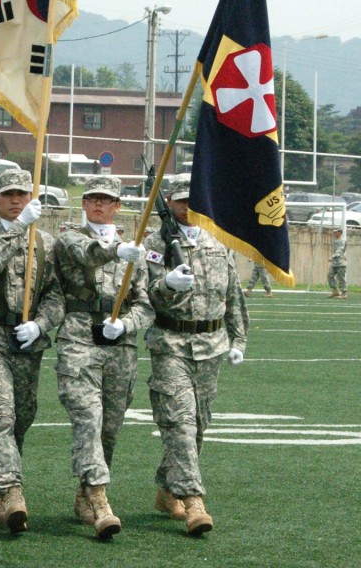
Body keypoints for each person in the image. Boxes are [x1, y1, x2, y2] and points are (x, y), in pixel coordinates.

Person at [143, 173, 248, 535]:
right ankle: (193, 501)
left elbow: (233, 293)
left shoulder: (218, 240)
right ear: (169, 203)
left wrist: (239, 340)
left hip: (212, 346)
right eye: (180, 201)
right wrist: (168, 285)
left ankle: (167, 487)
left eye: (193, 200)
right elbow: (148, 293)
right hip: (170, 344)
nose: (187, 207)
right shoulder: (154, 242)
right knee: (181, 423)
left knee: (199, 424)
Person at [53, 175, 153, 541]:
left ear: (117, 206)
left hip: (119, 346)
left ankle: (84, 492)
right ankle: (99, 498)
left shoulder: (135, 251)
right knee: (87, 417)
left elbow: (146, 305)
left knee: (109, 426)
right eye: (92, 198)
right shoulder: (70, 237)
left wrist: (127, 325)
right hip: (79, 336)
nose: (98, 204)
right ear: (84, 204)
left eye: (106, 199)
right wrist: (115, 251)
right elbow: (86, 253)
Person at [0, 168, 64, 534]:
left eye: (22, 194)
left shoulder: (46, 242)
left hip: (26, 341)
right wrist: (21, 225)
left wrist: (41, 323)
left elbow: (56, 294)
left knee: (22, 416)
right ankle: (11, 491)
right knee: (0, 412)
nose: (15, 199)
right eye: (8, 194)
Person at [327, 228, 347, 298]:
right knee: (330, 276)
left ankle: (344, 292)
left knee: (341, 277)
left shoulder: (343, 241)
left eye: (336, 232)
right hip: (335, 263)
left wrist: (332, 257)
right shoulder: (335, 241)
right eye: (334, 232)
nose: (334, 234)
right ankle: (335, 290)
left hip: (341, 262)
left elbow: (340, 250)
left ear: (339, 232)